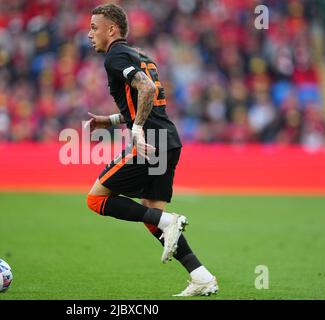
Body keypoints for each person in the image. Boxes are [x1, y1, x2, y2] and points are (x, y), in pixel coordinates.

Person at [85, 3, 218, 297]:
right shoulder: (142, 56)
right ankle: (202, 276)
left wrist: (135, 130)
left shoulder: (115, 56)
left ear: (112, 29)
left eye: (94, 28)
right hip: (168, 140)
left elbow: (146, 90)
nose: (89, 34)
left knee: (96, 200)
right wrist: (111, 120)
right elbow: (147, 100)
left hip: (151, 142)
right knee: (151, 216)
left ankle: (170, 221)